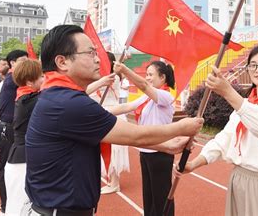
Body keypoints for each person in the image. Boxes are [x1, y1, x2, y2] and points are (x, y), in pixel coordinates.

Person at [24, 25, 203, 216]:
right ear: (62, 62)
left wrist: (167, 146)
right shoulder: (68, 103)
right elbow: (136, 136)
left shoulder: (59, 96)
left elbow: (121, 133)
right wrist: (182, 127)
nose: (97, 58)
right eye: (90, 52)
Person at [177, 45, 258, 216]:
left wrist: (228, 92)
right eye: (253, 65)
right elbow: (224, 140)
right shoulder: (244, 105)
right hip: (238, 180)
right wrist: (193, 164)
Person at [112, 60, 177, 216]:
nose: (147, 78)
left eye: (150, 74)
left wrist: (125, 70)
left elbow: (144, 86)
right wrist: (99, 112)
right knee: (149, 197)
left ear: (162, 78)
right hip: (146, 151)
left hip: (160, 153)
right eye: (146, 74)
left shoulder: (165, 96)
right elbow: (126, 107)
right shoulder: (147, 98)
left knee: (161, 197)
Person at [86, 52, 130, 195]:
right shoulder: (103, 78)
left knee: (113, 150)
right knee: (106, 149)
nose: (97, 63)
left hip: (112, 114)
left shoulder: (113, 78)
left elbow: (86, 91)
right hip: (103, 113)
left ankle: (115, 183)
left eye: (100, 62)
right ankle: (112, 181)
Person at [4, 59, 43, 216]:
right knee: (21, 209)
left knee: (17, 207)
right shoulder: (30, 100)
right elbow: (65, 95)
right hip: (22, 163)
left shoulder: (25, 97)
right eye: (41, 76)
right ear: (29, 81)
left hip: (19, 160)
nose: (44, 79)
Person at [0, 50, 28, 215]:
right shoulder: (14, 78)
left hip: (10, 129)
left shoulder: (15, 79)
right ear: (12, 63)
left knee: (12, 169)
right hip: (6, 130)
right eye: (23, 61)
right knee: (6, 170)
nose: (26, 64)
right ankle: (5, 206)